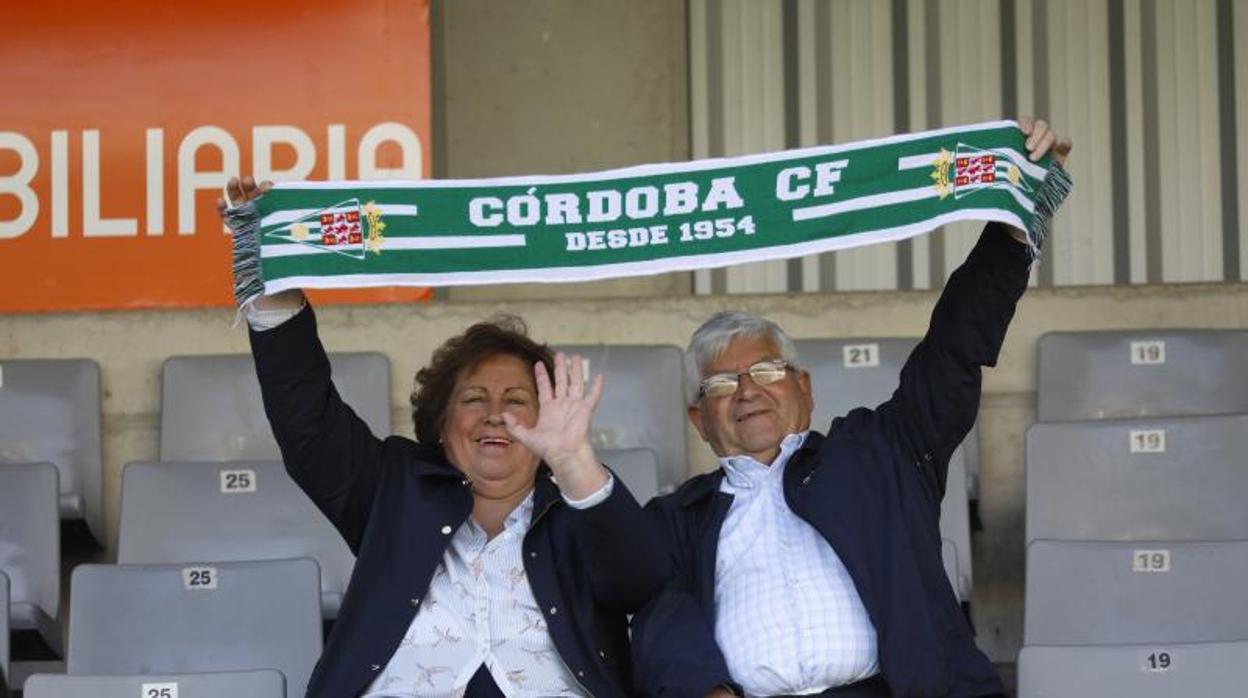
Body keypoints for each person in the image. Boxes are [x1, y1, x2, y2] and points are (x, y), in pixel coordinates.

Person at [632, 118, 1073, 697]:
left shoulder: (881, 454)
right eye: (722, 384)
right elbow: (661, 622)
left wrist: (1013, 221)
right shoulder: (672, 522)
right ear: (698, 418)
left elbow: (953, 348)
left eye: (766, 371)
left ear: (805, 388)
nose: (747, 391)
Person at [219, 178, 668, 698]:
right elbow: (306, 421)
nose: (496, 415)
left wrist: (574, 463)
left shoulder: (582, 506)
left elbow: (643, 582)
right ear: (440, 421)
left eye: (518, 401)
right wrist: (275, 275)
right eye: (474, 399)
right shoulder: (394, 490)